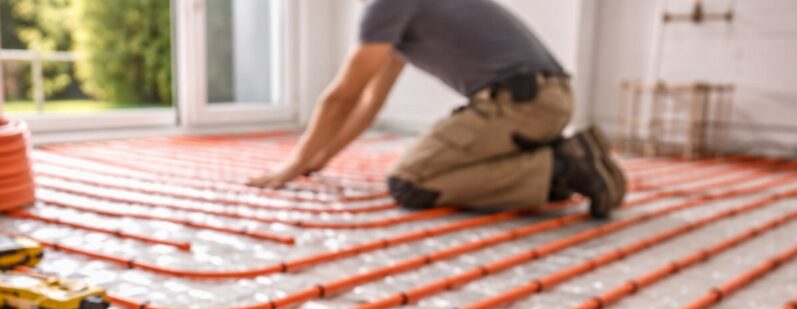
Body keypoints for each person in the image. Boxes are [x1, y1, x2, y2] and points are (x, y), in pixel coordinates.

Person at [249, 0, 625, 217]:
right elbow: (368, 103)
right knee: (435, 167)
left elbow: (341, 97)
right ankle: (565, 163)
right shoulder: (397, 17)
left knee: (411, 183)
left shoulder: (386, 6)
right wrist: (320, 160)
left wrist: (294, 164)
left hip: (521, 103)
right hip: (545, 99)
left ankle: (563, 167)